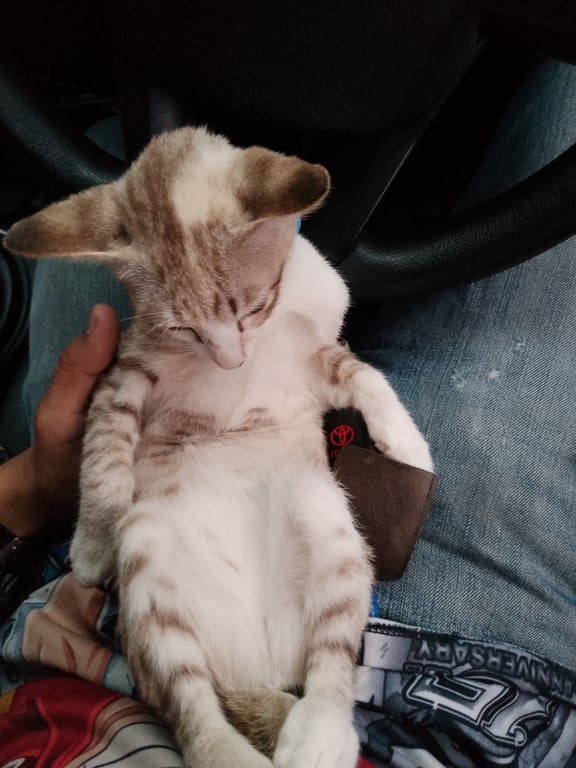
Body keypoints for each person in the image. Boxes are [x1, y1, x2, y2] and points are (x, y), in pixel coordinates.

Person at [1, 56, 575, 767]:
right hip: (442, 687)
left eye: (242, 318)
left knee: (105, 140)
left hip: (91, 636)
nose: (227, 354)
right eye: (193, 328)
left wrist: (36, 494)